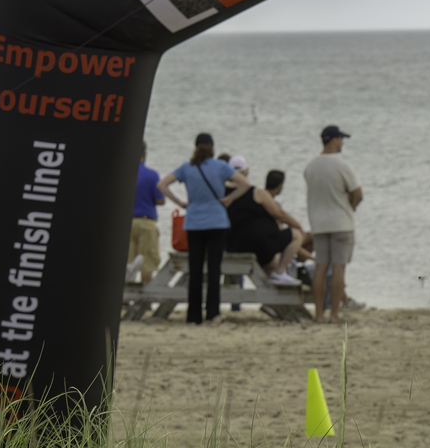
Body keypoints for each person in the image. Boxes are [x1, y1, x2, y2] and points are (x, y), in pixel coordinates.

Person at [158, 132, 249, 325]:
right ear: (212, 147)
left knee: (195, 270)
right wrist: (230, 199)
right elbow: (245, 183)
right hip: (217, 221)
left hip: (194, 222)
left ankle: (193, 315)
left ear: (196, 147)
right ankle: (213, 313)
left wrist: (180, 202)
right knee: (214, 269)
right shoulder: (220, 166)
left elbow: (162, 184)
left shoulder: (187, 167)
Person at [303, 125, 362, 324]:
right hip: (341, 223)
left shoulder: (311, 166)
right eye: (341, 139)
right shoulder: (342, 165)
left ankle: (319, 314)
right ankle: (334, 314)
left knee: (320, 267)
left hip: (319, 223)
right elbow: (357, 193)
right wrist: (351, 207)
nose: (342, 142)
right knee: (339, 268)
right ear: (334, 140)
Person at [226, 159, 305, 285]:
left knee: (271, 265)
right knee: (296, 235)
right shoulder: (256, 192)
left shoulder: (220, 193)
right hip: (259, 245)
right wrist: (298, 226)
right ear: (246, 172)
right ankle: (280, 272)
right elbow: (279, 214)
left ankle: (270, 301)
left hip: (232, 245)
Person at [129, 142, 164, 284]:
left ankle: (124, 299)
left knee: (126, 262)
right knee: (147, 262)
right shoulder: (151, 175)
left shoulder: (122, 173)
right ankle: (145, 301)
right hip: (146, 221)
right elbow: (160, 200)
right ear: (144, 156)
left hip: (126, 223)